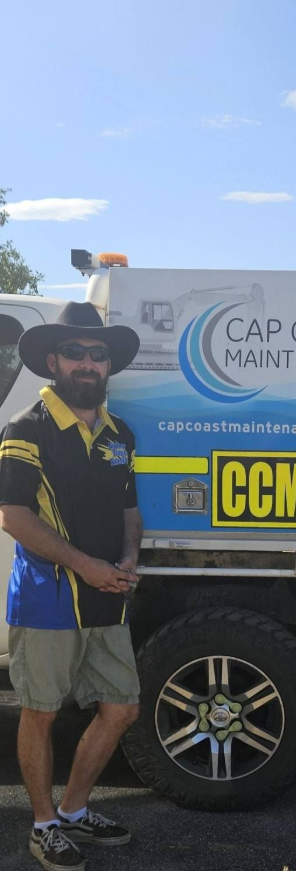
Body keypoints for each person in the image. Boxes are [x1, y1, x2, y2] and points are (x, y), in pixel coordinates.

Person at [0, 301, 143, 871]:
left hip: (108, 592)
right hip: (48, 596)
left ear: (108, 366)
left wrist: (130, 555)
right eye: (76, 353)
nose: (88, 364)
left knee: (122, 709)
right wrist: (84, 564)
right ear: (53, 361)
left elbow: (130, 507)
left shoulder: (119, 433)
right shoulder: (26, 428)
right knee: (40, 711)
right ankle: (42, 826)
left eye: (99, 354)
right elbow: (12, 515)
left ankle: (75, 811)